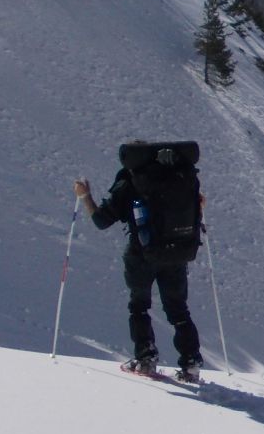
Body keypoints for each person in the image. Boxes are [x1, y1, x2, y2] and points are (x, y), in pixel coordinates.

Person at [73, 157, 204, 382]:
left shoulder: (131, 181)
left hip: (141, 255)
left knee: (139, 306)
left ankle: (145, 358)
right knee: (179, 310)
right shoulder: (180, 177)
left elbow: (102, 221)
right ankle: (190, 362)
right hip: (176, 254)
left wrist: (85, 196)